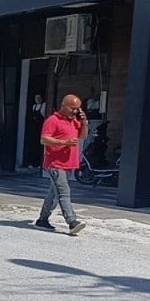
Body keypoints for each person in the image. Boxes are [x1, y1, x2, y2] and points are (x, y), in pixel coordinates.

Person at [34, 94, 87, 235]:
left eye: (78, 109)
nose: (75, 112)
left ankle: (42, 219)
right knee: (64, 192)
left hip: (69, 163)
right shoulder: (52, 120)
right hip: (55, 163)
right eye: (72, 108)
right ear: (64, 106)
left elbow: (83, 136)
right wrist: (65, 143)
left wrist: (84, 122)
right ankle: (71, 221)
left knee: (54, 193)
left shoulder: (75, 121)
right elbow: (44, 139)